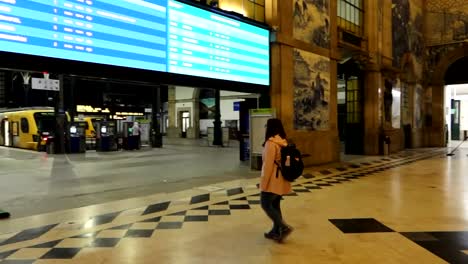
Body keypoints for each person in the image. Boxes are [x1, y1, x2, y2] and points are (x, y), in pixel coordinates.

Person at [260, 118, 293, 242]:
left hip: (272, 180)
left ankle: (284, 227)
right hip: (281, 180)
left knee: (265, 204)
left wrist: (263, 183)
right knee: (275, 204)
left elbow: (268, 166)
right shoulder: (282, 141)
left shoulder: (271, 143)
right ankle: (275, 231)